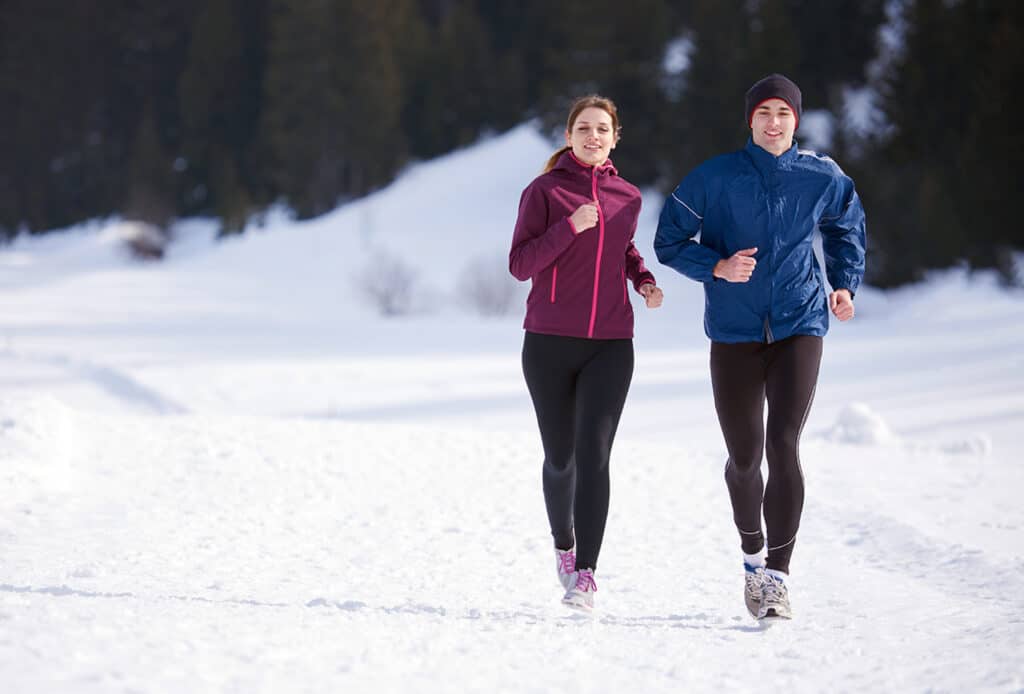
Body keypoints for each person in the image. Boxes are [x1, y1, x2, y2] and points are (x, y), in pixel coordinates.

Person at [654, 74, 866, 620]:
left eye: (785, 113)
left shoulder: (821, 176)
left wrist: (843, 284)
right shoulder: (714, 177)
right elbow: (668, 241)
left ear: (797, 120)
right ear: (750, 119)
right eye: (764, 112)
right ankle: (751, 552)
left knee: (784, 444)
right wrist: (717, 267)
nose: (774, 122)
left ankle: (778, 575)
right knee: (745, 458)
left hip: (801, 323)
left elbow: (846, 230)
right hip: (733, 331)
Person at [509, 95, 664, 610]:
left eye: (602, 129)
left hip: (612, 344)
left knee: (595, 455)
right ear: (569, 135)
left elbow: (624, 249)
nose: (593, 136)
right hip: (549, 342)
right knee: (561, 458)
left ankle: (588, 574)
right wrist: (568, 227)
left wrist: (642, 280)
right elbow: (520, 264)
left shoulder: (628, 196)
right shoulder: (545, 191)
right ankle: (564, 545)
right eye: (583, 128)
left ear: (615, 137)